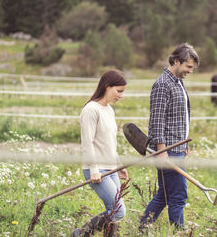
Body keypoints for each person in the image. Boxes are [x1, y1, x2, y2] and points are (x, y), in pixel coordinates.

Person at [139, 43, 199, 230]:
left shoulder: (178, 82)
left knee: (165, 194)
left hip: (178, 147)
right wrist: (161, 149)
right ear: (175, 61)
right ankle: (179, 232)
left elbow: (180, 116)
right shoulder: (162, 84)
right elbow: (157, 120)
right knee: (178, 195)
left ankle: (142, 227)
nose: (190, 71)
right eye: (188, 66)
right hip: (168, 150)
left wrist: (185, 144)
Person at [72, 70, 128, 237]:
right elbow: (87, 143)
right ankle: (80, 233)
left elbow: (110, 142)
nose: (121, 95)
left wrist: (118, 165)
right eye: (119, 91)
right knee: (119, 211)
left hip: (110, 169)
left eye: (123, 92)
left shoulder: (109, 110)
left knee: (113, 211)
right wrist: (94, 169)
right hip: (96, 170)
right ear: (106, 86)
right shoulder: (91, 109)